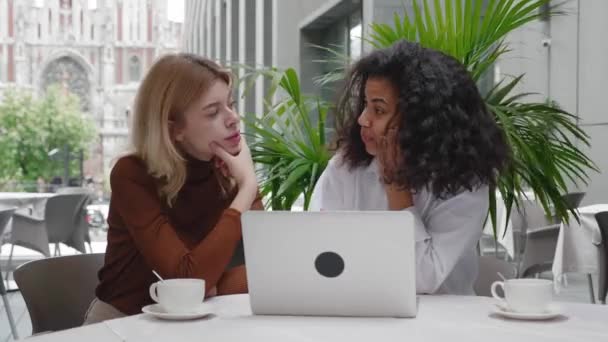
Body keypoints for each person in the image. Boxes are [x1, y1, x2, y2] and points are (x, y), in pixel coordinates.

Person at [311, 40, 510, 295]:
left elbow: (420, 279)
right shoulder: (346, 167)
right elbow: (318, 251)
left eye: (379, 110)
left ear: (421, 121)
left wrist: (396, 186)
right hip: (359, 310)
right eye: (365, 105)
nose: (362, 119)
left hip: (443, 324)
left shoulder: (466, 183)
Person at [84, 54, 261, 324]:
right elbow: (189, 280)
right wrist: (247, 188)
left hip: (200, 318)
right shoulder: (132, 174)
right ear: (174, 129)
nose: (233, 118)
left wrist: (209, 285)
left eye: (230, 105)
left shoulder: (227, 168)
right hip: (124, 324)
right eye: (213, 112)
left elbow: (268, 267)